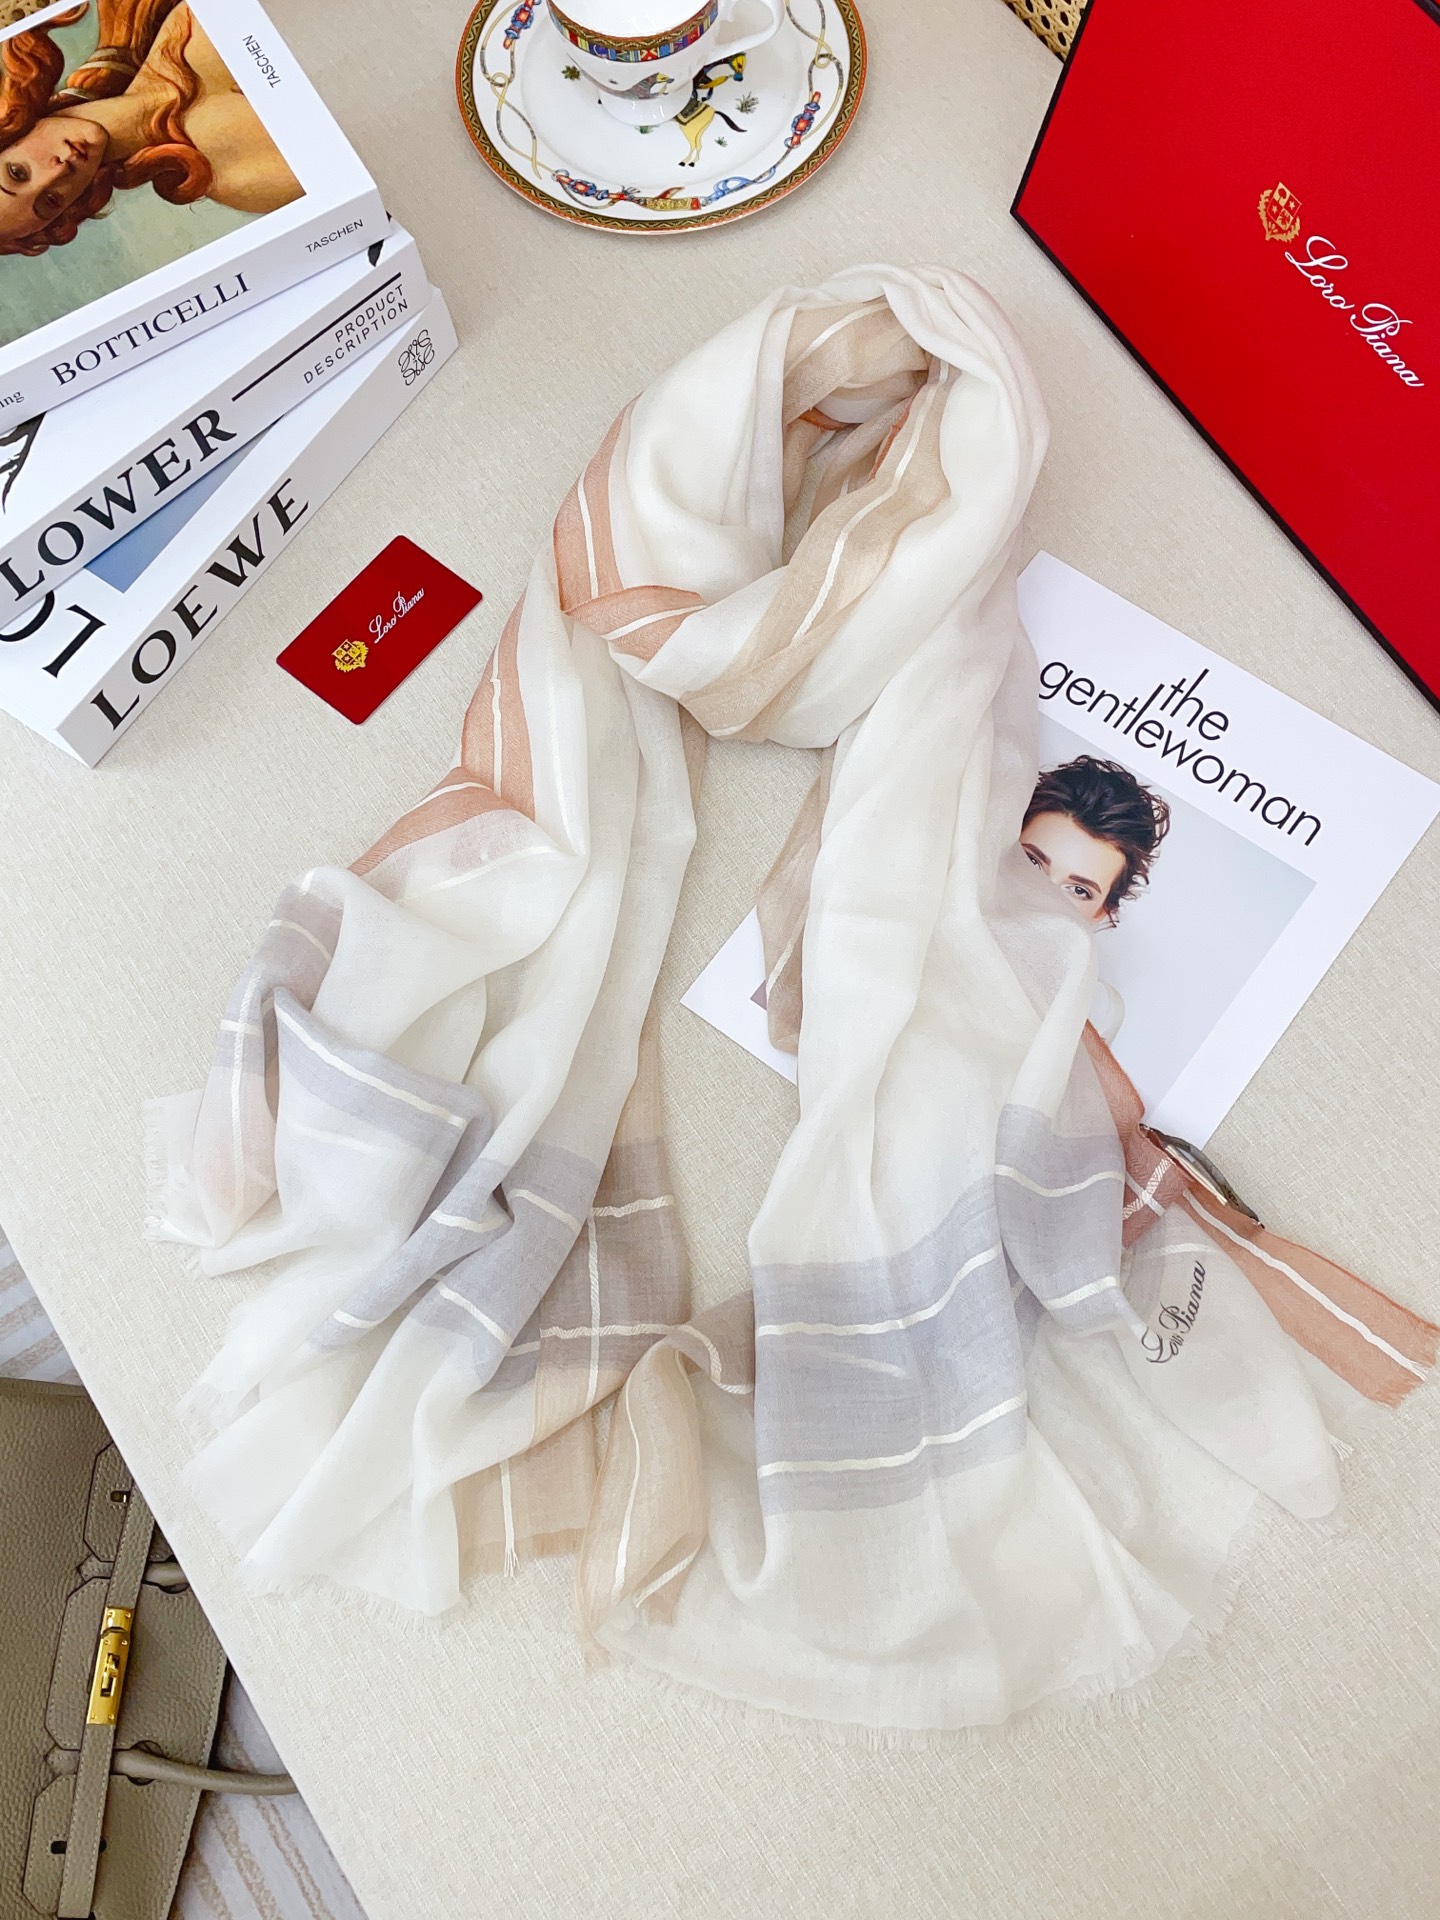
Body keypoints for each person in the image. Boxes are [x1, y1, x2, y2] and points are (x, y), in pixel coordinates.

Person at [0, 0, 300, 259]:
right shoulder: (237, 179)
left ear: (10, 133)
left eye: (18, 172)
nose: (58, 171)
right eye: (51, 201)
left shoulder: (133, 15)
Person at [1021, 754, 1171, 1041]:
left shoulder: (1098, 1012)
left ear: (1101, 912)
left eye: (1079, 890)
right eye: (1032, 861)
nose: (1043, 895)